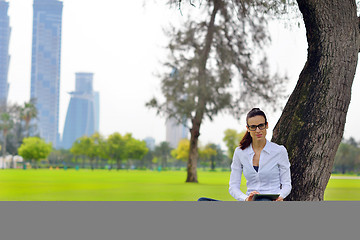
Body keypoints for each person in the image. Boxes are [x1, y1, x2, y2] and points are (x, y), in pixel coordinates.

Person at [229, 108, 292, 201]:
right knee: (203, 200)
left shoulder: (279, 151)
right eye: (253, 127)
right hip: (250, 201)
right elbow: (233, 187)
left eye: (261, 125)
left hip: (270, 200)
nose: (258, 130)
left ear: (266, 125)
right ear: (248, 128)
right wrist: (246, 199)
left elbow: (286, 184)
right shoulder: (240, 152)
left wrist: (280, 197)